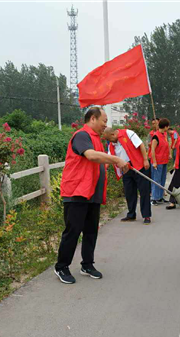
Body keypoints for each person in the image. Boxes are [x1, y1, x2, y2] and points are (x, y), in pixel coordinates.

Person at [56, 107, 129, 284]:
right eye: (104, 120)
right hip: (77, 192)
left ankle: (87, 264)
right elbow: (90, 156)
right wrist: (116, 160)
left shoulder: (97, 139)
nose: (106, 125)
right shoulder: (82, 136)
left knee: (91, 231)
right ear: (93, 118)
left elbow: (100, 159)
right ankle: (61, 267)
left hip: (92, 192)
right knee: (73, 231)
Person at [103, 127, 152, 224]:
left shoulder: (128, 133)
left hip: (139, 166)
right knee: (129, 192)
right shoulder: (112, 144)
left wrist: (145, 159)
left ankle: (146, 215)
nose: (109, 141)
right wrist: (104, 169)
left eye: (109, 139)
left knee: (144, 191)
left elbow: (141, 145)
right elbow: (110, 157)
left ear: (113, 135)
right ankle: (131, 214)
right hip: (125, 168)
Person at [150, 118, 171, 205]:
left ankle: (160, 196)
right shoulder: (156, 136)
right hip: (157, 162)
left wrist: (169, 154)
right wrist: (154, 161)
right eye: (168, 126)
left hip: (164, 160)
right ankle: (154, 198)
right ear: (165, 126)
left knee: (162, 179)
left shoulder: (164, 135)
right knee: (156, 180)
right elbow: (153, 149)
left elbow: (166, 146)